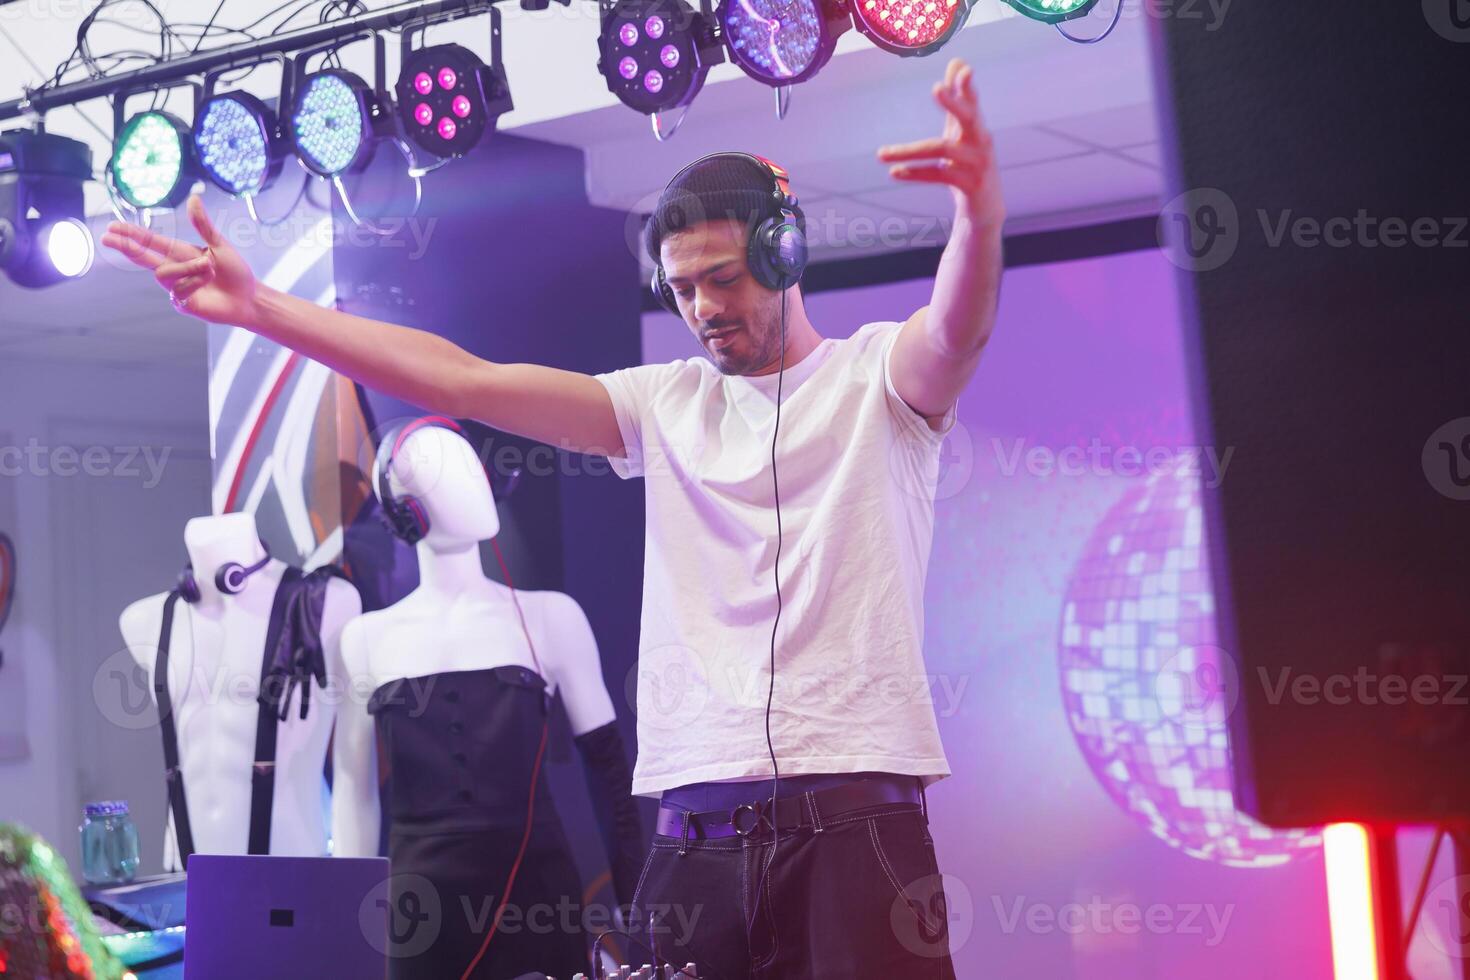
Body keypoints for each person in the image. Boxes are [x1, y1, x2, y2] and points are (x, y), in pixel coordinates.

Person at [103, 56, 1004, 979]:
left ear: (785, 255)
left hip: (852, 823)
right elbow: (464, 380)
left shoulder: (877, 379)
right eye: (682, 288)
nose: (702, 309)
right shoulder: (660, 405)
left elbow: (957, 328)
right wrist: (261, 309)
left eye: (725, 278)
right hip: (694, 833)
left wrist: (979, 213)